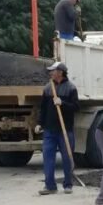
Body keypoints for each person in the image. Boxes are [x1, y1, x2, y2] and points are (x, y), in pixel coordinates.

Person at [36, 62, 80, 195]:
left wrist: (63, 103)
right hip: (49, 130)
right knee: (48, 157)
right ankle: (50, 186)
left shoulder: (71, 88)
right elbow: (43, 108)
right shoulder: (48, 88)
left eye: (53, 71)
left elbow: (76, 107)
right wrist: (39, 123)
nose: (50, 73)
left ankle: (68, 184)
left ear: (60, 72)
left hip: (65, 130)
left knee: (67, 157)